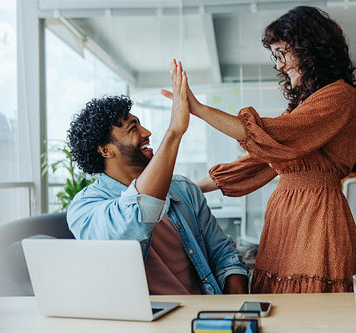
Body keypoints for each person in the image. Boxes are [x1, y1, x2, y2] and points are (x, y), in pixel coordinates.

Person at [162, 6, 356, 293]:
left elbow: (267, 136)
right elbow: (260, 160)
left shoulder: (340, 95)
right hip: (287, 213)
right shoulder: (302, 107)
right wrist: (188, 189)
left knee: (315, 310)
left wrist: (198, 109)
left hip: (317, 216)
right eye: (275, 56)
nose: (279, 65)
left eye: (283, 53)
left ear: (309, 47)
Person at [66, 60, 249, 295]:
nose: (147, 133)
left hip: (200, 317)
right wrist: (174, 132)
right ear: (105, 150)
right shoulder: (84, 208)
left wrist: (235, 308)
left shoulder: (184, 189)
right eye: (133, 128)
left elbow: (224, 255)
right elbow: (133, 222)